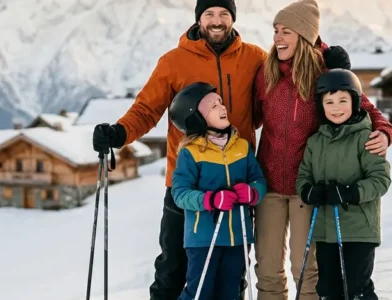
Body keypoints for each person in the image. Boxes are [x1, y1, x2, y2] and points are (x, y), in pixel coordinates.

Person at [90, 0, 351, 298]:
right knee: (173, 269)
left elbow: (295, 62)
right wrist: (119, 133)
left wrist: (326, 55)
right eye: (210, 14)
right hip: (188, 184)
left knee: (232, 273)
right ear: (199, 19)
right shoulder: (174, 61)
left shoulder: (254, 58)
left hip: (238, 184)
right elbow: (146, 109)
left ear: (233, 19)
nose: (217, 21)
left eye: (224, 14)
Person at [249, 1, 392, 299]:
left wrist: (383, 130)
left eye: (286, 31)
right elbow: (248, 117)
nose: (277, 37)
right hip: (270, 184)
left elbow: (361, 107)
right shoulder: (266, 74)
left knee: (307, 270)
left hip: (308, 188)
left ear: (304, 35)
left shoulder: (324, 73)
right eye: (275, 30)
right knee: (267, 269)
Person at [296, 69, 391, 300]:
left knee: (356, 288)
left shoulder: (366, 138)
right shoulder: (315, 141)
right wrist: (309, 192)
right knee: (328, 290)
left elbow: (380, 180)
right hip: (325, 230)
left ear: (355, 102)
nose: (336, 107)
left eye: (342, 100)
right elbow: (303, 177)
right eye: (329, 102)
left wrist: (349, 192)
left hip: (359, 229)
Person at [169, 82, 266, 300]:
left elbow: (258, 180)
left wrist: (251, 193)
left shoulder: (241, 147)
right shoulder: (191, 153)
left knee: (230, 292)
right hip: (203, 238)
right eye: (213, 106)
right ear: (197, 118)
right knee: (201, 291)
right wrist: (211, 199)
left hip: (237, 237)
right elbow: (180, 193)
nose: (222, 108)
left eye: (221, 102)